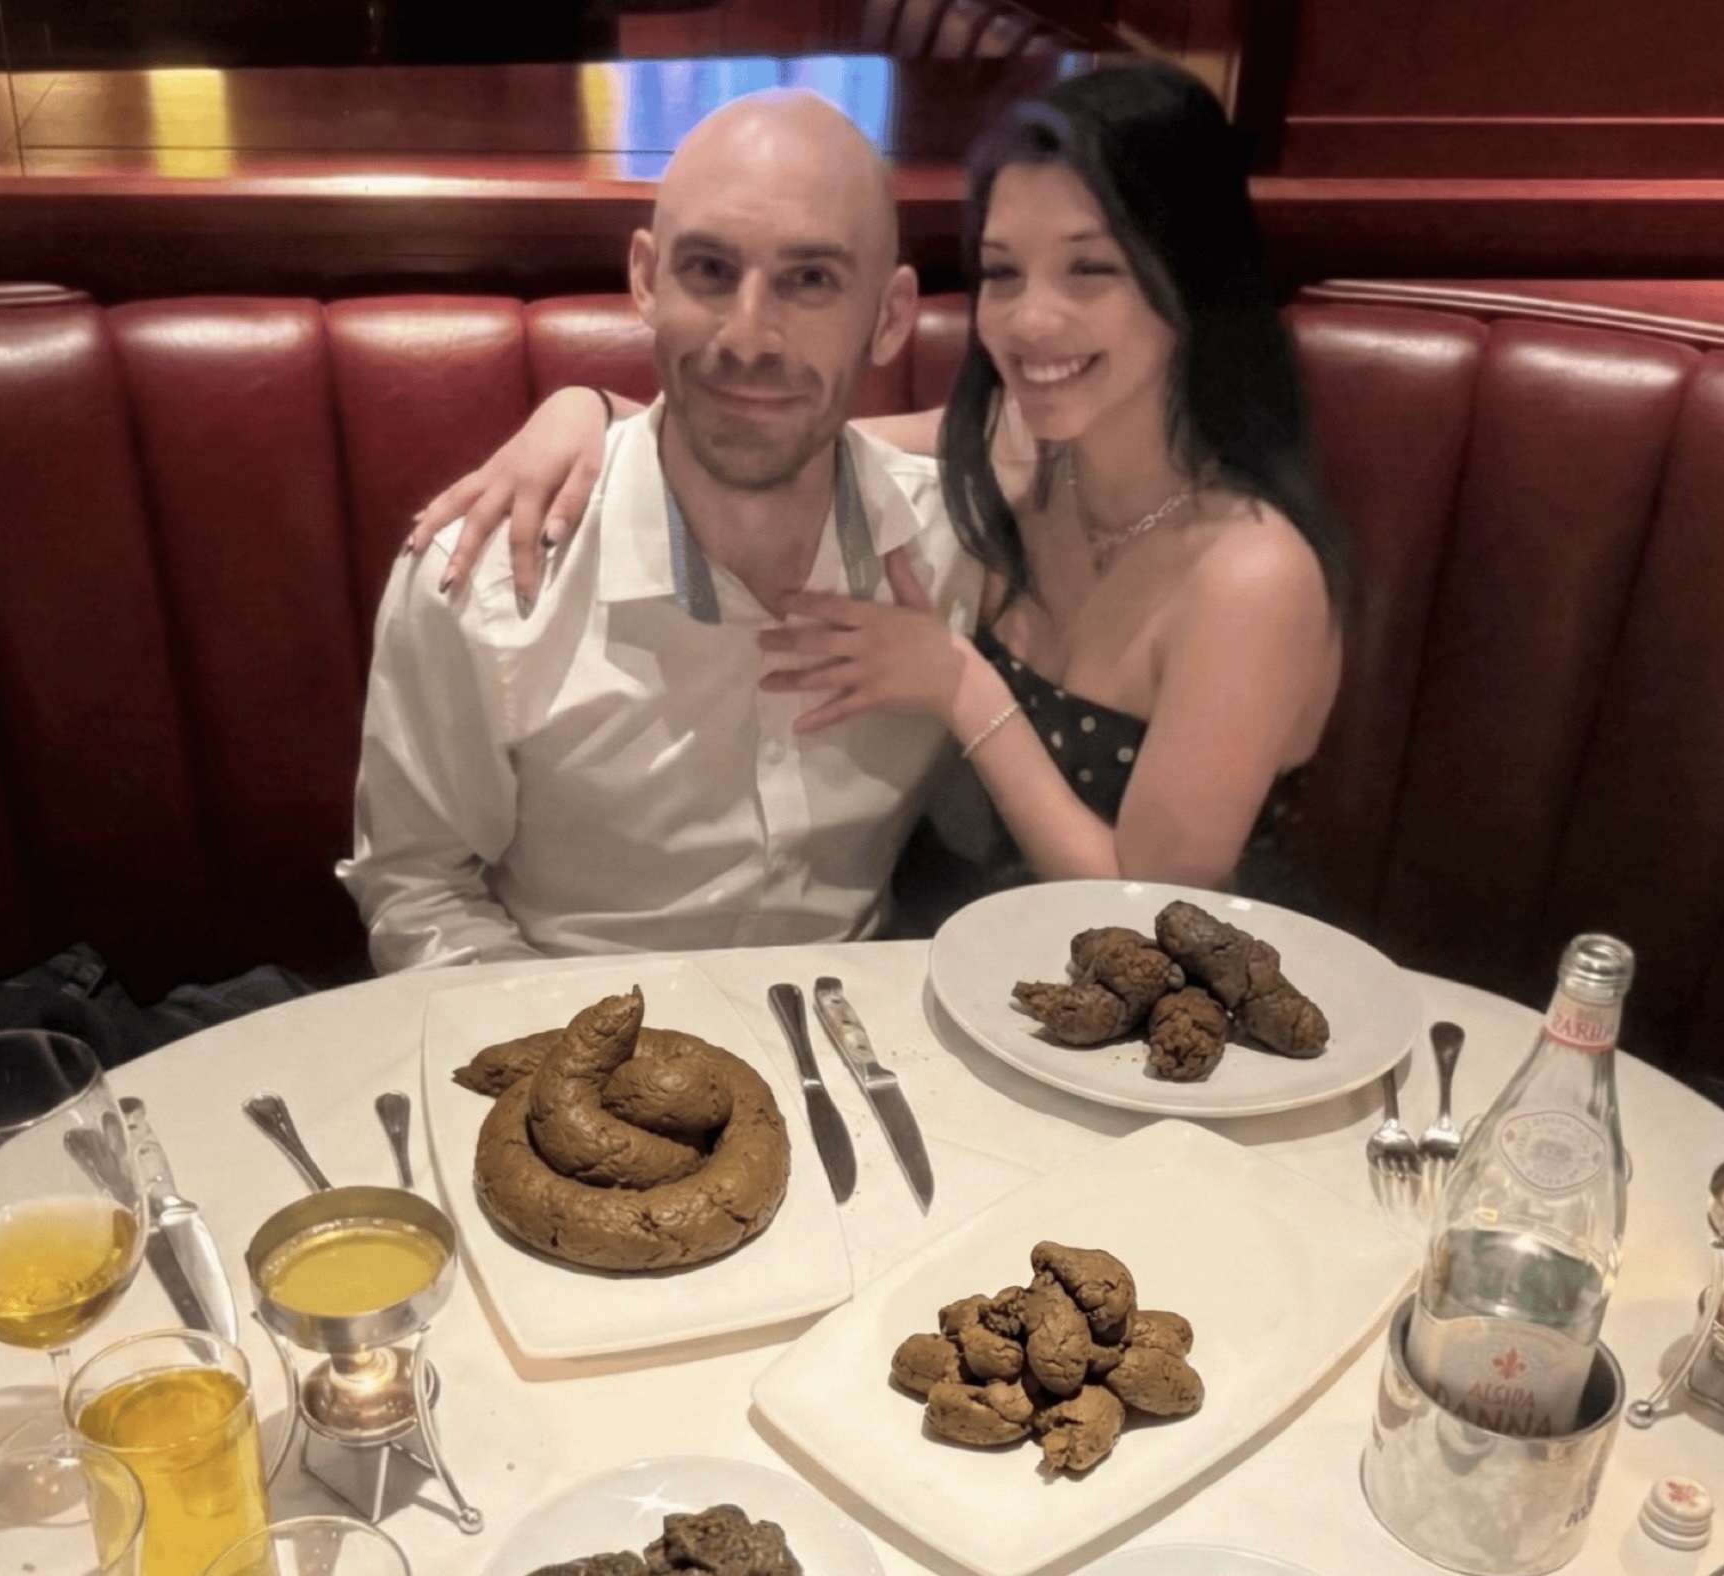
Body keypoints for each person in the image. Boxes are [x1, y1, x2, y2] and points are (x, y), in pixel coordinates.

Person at [413, 64, 1344, 916]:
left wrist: (958, 684)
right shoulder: (1018, 450)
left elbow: (1154, 912)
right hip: (954, 953)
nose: (1029, 319)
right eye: (1003, 271)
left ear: (1194, 280)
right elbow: (777, 432)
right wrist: (580, 410)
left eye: (1089, 268)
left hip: (1157, 988)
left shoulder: (1250, 574)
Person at [339, 91, 983, 970]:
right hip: (570, 1020)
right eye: (710, 269)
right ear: (646, 279)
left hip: (852, 1025)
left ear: (891, 317)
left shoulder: (957, 551)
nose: (748, 337)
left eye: (810, 279)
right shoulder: (485, 579)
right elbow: (420, 888)